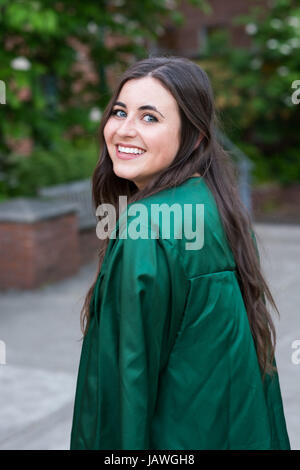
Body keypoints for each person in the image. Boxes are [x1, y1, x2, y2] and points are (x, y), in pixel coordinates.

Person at [70, 56, 290, 450]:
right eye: (120, 112)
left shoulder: (147, 229)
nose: (124, 130)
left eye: (150, 118)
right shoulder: (216, 207)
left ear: (196, 137)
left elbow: (123, 394)